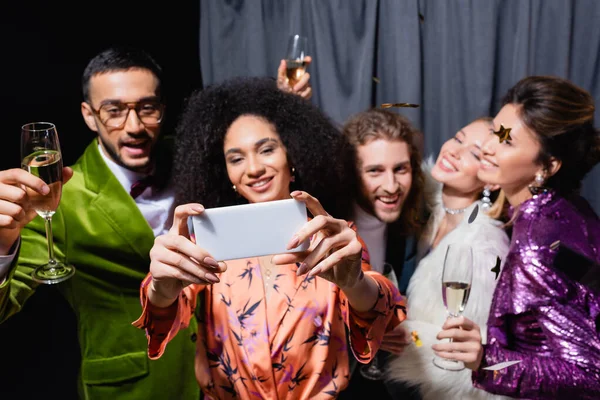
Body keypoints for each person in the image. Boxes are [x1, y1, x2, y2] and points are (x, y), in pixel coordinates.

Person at [133, 76, 406, 399]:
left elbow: (382, 315)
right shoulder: (207, 241)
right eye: (236, 158)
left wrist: (356, 282)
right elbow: (163, 314)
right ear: (227, 175)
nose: (253, 168)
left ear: (293, 157)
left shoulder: (329, 235)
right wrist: (161, 288)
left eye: (266, 149)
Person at [0, 47, 200, 399]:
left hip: (219, 373)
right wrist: (2, 244)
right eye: (115, 111)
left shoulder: (192, 157)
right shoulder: (61, 199)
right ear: (89, 116)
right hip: (130, 387)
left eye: (147, 109)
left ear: (162, 110)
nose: (134, 126)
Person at [434, 76, 600, 399]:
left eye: (507, 142)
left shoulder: (536, 246)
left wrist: (486, 359)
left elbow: (590, 373)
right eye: (496, 132)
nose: (488, 147)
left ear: (548, 165)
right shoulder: (567, 211)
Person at [385, 117, 511, 400]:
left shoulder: (483, 247)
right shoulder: (422, 202)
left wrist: (399, 333)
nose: (454, 150)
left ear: (491, 174)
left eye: (475, 153)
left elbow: (460, 359)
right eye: (457, 138)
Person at [337, 109, 424, 399]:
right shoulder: (329, 226)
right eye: (375, 171)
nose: (391, 186)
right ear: (351, 173)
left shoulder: (409, 226)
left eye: (401, 169)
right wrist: (365, 330)